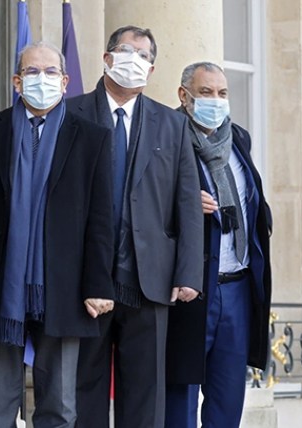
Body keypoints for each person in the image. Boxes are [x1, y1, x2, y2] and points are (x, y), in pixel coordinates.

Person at [66, 25, 204, 428]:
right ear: (107, 58)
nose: (135, 61)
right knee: (82, 393)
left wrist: (188, 273)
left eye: (144, 56)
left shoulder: (172, 124)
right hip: (84, 281)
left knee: (145, 397)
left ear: (152, 69)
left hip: (149, 280)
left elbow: (187, 203)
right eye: (128, 51)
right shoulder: (70, 113)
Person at [0, 42, 115, 427]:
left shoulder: (92, 137)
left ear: (65, 81)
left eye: (51, 71)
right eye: (32, 72)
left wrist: (98, 284)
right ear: (17, 81)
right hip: (0, 286)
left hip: (65, 287)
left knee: (59, 405)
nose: (42, 79)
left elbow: (101, 220)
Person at [165, 62, 272, 428]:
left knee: (227, 400)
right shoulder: (166, 136)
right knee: (180, 398)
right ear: (184, 95)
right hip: (192, 287)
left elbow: (252, 202)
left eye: (222, 93)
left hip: (237, 286)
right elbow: (142, 205)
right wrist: (181, 201)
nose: (215, 100)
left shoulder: (238, 138)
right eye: (206, 92)